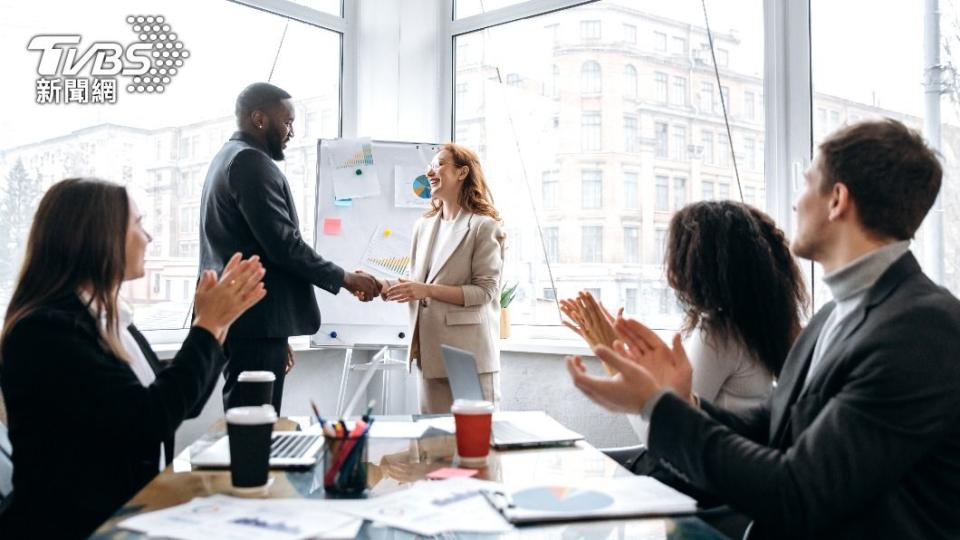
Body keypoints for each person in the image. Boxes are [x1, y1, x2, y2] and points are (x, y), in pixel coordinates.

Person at [567, 118, 960, 539]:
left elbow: (797, 493)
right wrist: (682, 401)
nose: (795, 203)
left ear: (837, 200)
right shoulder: (833, 317)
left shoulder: (922, 328)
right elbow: (773, 427)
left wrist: (657, 407)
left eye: (807, 183)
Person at [0, 178, 266, 539]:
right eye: (138, 224)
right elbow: (148, 419)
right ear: (98, 237)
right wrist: (207, 325)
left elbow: (179, 404)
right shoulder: (45, 331)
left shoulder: (108, 319)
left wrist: (220, 326)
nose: (149, 237)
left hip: (128, 516)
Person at [199, 82, 381, 413]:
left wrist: (277, 334)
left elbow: (257, 245)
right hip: (254, 321)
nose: (291, 132)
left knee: (252, 420)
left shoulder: (227, 158)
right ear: (259, 119)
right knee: (254, 428)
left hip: (253, 323)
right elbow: (283, 244)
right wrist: (345, 279)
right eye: (287, 121)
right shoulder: (249, 162)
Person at [562, 202, 807, 418]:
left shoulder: (717, 333)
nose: (669, 267)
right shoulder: (750, 325)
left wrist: (612, 355)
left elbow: (669, 433)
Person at [370, 143, 505, 413]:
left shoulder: (483, 226)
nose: (429, 172)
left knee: (474, 445)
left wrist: (428, 290)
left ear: (462, 172)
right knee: (435, 447)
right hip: (430, 356)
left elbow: (485, 292)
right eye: (430, 166)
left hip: (470, 357)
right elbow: (417, 281)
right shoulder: (424, 226)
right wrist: (379, 285)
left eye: (439, 164)